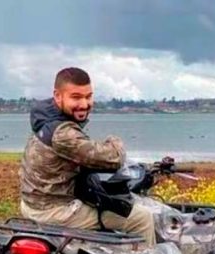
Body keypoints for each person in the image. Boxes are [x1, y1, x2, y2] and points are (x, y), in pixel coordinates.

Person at [18, 67, 155, 243]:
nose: (84, 104)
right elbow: (113, 158)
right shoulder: (63, 134)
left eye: (88, 96)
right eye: (76, 97)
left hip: (34, 202)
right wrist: (115, 141)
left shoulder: (46, 119)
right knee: (142, 218)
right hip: (55, 211)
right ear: (58, 96)